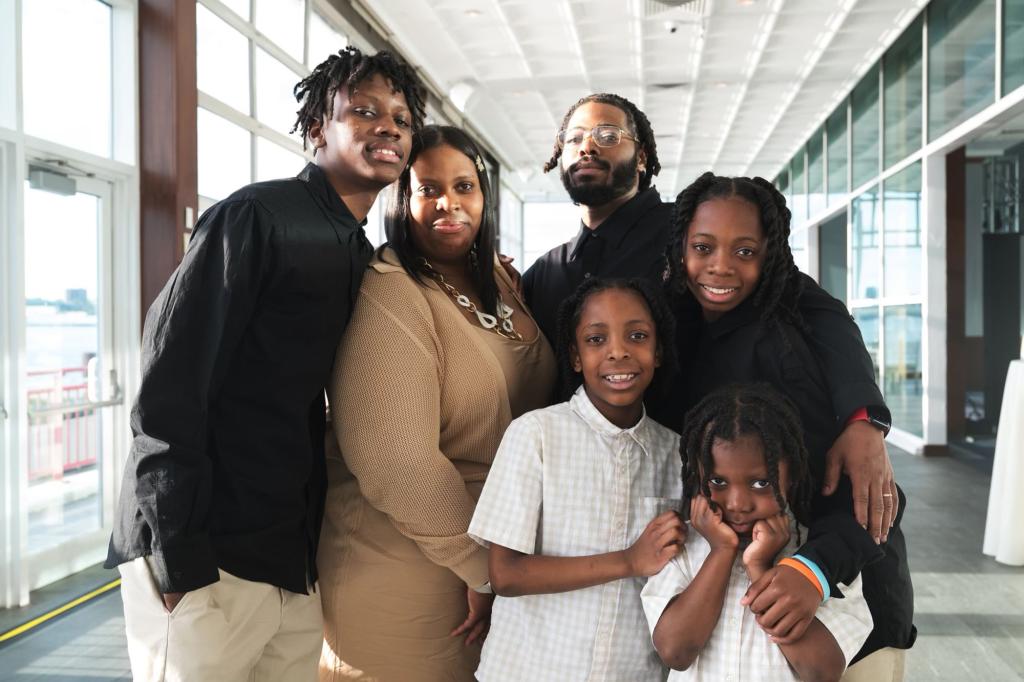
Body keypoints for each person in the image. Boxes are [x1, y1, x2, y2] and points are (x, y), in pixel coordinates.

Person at [105, 47, 426, 681]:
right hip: (206, 553)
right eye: (363, 111)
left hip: (288, 558)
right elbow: (169, 383)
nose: (388, 126)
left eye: (401, 118)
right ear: (317, 130)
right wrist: (176, 556)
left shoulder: (360, 253)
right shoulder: (257, 216)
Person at [522, 93, 898, 549]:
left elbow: (820, 311)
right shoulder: (546, 272)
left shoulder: (690, 231)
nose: (588, 147)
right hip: (586, 492)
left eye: (607, 135)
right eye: (575, 138)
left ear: (641, 155)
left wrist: (863, 418)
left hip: (704, 486)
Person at [317, 124, 556, 681]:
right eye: (428, 190)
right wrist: (487, 571)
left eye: (464, 186)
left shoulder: (495, 277)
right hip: (408, 569)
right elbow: (395, 462)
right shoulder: (391, 290)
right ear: (401, 200)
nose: (449, 203)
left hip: (493, 561)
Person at [660, 172, 915, 678]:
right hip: (735, 621)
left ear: (771, 254)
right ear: (679, 247)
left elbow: (867, 497)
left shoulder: (794, 330)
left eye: (745, 251)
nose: (720, 267)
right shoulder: (679, 325)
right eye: (703, 247)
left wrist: (866, 419)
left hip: (843, 612)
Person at [468, 277, 685, 681]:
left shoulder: (676, 455)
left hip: (632, 672)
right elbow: (506, 574)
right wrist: (628, 561)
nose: (618, 351)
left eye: (637, 336)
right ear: (574, 356)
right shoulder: (535, 435)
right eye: (596, 339)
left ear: (658, 352)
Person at [643, 384, 873, 682]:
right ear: (698, 476)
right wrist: (721, 552)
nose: (737, 505)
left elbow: (821, 671)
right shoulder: (683, 547)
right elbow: (675, 651)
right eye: (718, 482)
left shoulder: (820, 558)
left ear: (791, 477)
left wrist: (759, 568)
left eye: (761, 483)